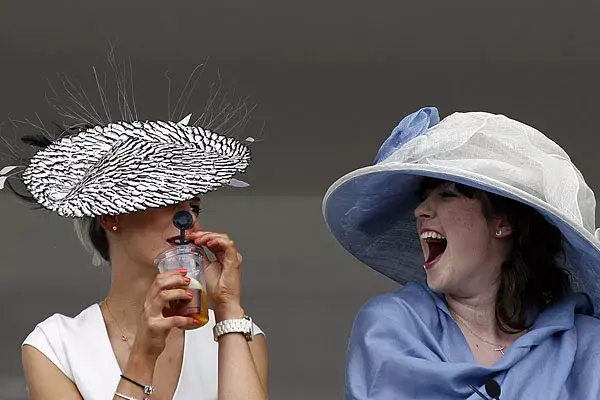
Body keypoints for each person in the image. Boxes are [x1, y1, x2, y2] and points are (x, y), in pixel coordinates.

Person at [1, 60, 268, 400]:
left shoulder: (240, 335)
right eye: (168, 202)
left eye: (194, 207)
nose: (188, 220)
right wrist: (143, 355)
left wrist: (228, 309)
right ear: (111, 216)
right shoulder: (55, 346)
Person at [322, 107, 600, 399]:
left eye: (446, 194)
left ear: (502, 222)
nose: (420, 211)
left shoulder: (587, 346)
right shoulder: (392, 327)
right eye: (423, 198)